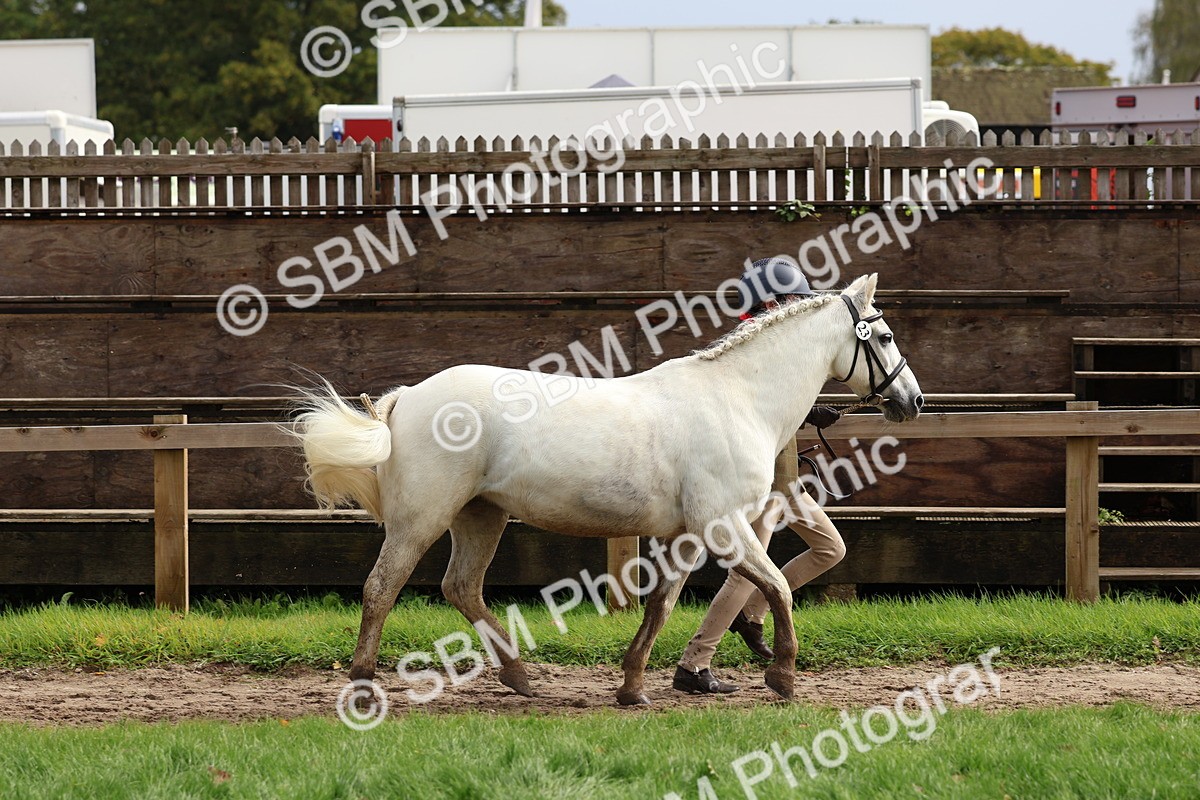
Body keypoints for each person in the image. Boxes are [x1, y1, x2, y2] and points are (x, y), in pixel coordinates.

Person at [673, 257, 847, 695]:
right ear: (770, 300)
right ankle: (694, 664)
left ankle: (753, 616)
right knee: (744, 571)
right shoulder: (746, 343)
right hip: (758, 485)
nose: (797, 307)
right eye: (791, 299)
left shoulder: (781, 341)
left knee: (830, 549)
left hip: (786, 480)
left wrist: (808, 413)